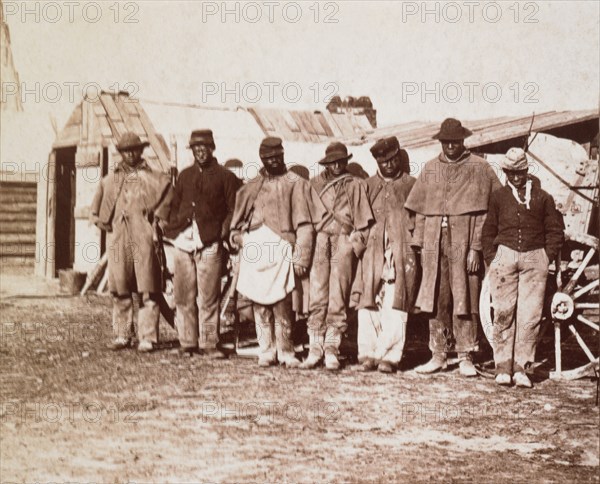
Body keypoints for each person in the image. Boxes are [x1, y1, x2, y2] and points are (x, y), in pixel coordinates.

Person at [405, 118, 501, 376]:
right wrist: (421, 245)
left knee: (465, 297)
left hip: (465, 242)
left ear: (463, 141)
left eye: (455, 142)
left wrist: (476, 248)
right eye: (446, 142)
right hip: (434, 244)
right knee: (437, 297)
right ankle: (438, 354)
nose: (450, 146)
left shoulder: (480, 168)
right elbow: (421, 212)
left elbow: (488, 213)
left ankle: (465, 355)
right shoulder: (430, 168)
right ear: (441, 142)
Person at [229, 137, 325, 368]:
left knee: (282, 304)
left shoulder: (297, 184)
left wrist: (301, 255)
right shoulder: (251, 186)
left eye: (277, 157)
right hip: (255, 251)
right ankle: (266, 350)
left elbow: (305, 226)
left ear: (283, 155)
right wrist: (238, 238)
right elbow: (235, 225)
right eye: (269, 158)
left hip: (282, 250)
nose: (274, 161)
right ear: (262, 159)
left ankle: (286, 350)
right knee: (259, 305)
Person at [482, 147, 564, 388]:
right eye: (511, 172)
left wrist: (544, 257)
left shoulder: (543, 197)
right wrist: (492, 257)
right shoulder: (498, 197)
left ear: (527, 171)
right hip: (504, 258)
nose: (515, 177)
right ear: (506, 172)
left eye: (520, 172)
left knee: (530, 316)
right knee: (503, 313)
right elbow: (489, 230)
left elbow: (554, 230)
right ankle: (502, 367)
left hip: (534, 260)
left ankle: (521, 369)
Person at [90, 132, 173, 353]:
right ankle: (122, 334)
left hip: (144, 237)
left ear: (141, 150)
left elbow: (167, 204)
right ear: (121, 153)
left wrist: (158, 225)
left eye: (135, 150)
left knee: (149, 288)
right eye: (126, 150)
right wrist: (104, 223)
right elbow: (96, 212)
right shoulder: (109, 181)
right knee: (120, 288)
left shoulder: (156, 178)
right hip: (119, 239)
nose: (131, 154)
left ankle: (148, 337)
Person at [164, 130, 242, 358]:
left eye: (204, 147)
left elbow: (233, 209)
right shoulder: (185, 176)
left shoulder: (225, 177)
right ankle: (187, 342)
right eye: (196, 148)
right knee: (183, 295)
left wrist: (222, 232)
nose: (200, 152)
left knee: (208, 297)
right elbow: (175, 204)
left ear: (212, 148)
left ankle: (209, 343)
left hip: (209, 244)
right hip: (183, 242)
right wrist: (172, 225)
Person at [302, 142, 374, 370]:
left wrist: (354, 243)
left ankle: (332, 349)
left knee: (338, 294)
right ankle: (314, 348)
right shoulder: (313, 185)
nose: (337, 165)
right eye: (333, 161)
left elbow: (364, 221)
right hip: (319, 240)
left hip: (343, 240)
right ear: (326, 162)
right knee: (317, 293)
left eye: (341, 161)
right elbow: (305, 217)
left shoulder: (356, 184)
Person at [354, 137, 419, 373]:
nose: (389, 165)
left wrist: (414, 244)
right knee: (368, 300)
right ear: (377, 162)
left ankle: (390, 356)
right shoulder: (367, 186)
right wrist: (358, 246)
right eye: (384, 162)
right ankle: (368, 353)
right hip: (372, 252)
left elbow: (420, 218)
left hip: (400, 251)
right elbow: (357, 221)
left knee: (396, 301)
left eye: (393, 160)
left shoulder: (412, 184)